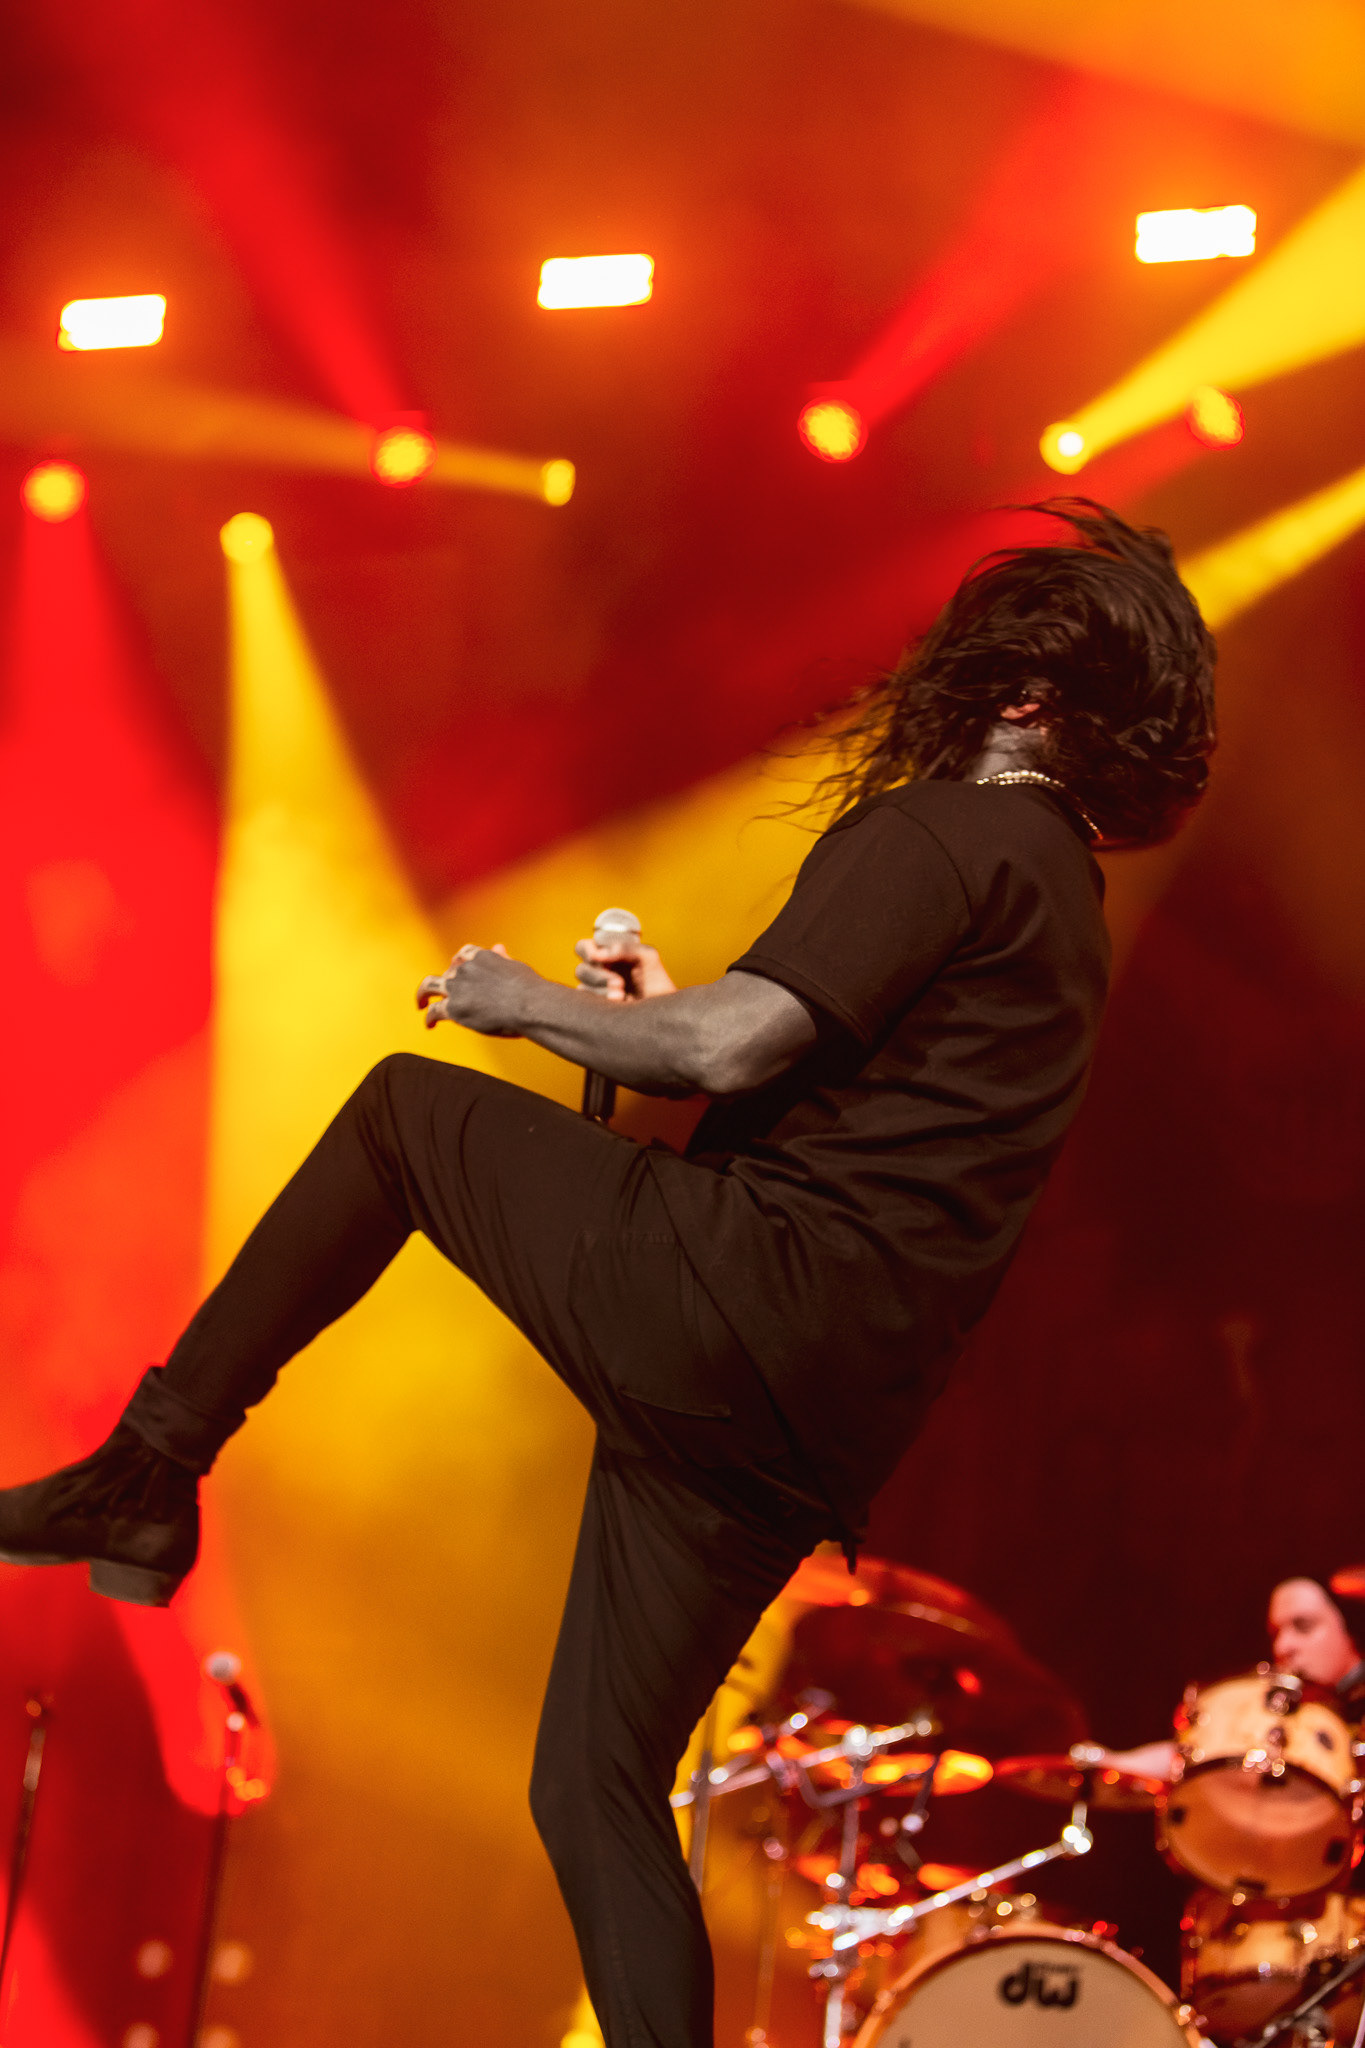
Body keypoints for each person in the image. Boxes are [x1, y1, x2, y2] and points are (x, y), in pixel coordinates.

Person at [0, 500, 1216, 2048]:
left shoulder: (950, 832)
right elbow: (830, 1094)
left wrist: (525, 1002)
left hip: (748, 1299)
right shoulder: (1058, 898)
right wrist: (653, 1019)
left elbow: (733, 1048)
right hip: (809, 1422)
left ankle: (148, 1470)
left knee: (404, 1115)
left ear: (1024, 694)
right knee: (595, 1783)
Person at [1088, 1576, 1365, 1784]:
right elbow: (1193, 1753)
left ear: (1351, 1628)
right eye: (1275, 1634)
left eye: (1304, 1627)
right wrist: (1114, 1761)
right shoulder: (1284, 1710)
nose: (1283, 1647)